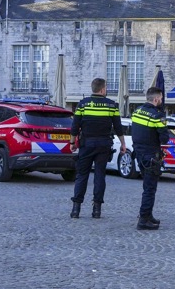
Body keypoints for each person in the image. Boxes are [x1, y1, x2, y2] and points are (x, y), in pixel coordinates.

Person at [70, 78, 123, 217]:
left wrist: (71, 143)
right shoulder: (112, 105)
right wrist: (123, 144)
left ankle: (76, 209)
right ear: (102, 89)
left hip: (86, 144)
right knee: (100, 176)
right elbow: (118, 127)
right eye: (106, 87)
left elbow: (75, 126)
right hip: (103, 145)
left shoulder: (82, 104)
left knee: (82, 175)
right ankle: (97, 209)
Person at [130, 86, 168, 230]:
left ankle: (148, 215)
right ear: (157, 99)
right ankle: (144, 219)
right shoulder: (157, 115)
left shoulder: (137, 111)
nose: (161, 101)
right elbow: (164, 139)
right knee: (150, 188)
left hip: (139, 154)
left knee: (147, 186)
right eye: (161, 98)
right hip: (152, 155)